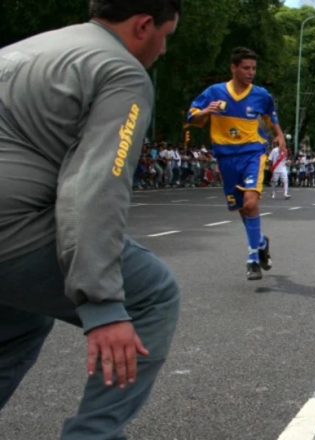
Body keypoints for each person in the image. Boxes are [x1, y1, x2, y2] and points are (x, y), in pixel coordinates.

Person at [0, 1, 182, 438]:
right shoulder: (120, 70)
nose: (163, 50)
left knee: (20, 318)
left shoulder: (23, 49)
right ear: (144, 25)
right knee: (152, 296)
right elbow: (96, 184)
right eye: (166, 37)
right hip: (11, 229)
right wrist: (102, 302)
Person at [187, 47, 285, 281]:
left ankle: (253, 259)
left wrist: (280, 135)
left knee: (250, 203)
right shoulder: (214, 92)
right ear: (234, 68)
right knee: (242, 207)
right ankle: (261, 242)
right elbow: (192, 117)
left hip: (252, 153)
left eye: (254, 68)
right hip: (225, 156)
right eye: (246, 68)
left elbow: (271, 115)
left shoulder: (261, 94)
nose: (251, 72)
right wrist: (205, 112)